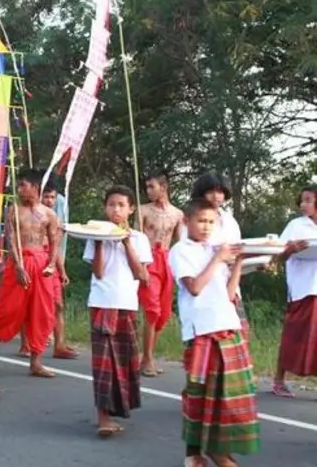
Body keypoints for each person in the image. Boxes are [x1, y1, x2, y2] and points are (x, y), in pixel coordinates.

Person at [169, 199, 259, 466]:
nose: (206, 227)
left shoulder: (215, 250)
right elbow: (195, 287)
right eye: (201, 221)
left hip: (228, 326)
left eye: (211, 222)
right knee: (201, 394)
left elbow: (229, 294)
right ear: (187, 222)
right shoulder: (180, 251)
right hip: (202, 332)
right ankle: (206, 453)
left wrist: (238, 263)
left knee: (230, 398)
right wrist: (217, 259)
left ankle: (210, 450)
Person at [83, 185, 152, 437]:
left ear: (131, 209)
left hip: (126, 305)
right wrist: (102, 241)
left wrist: (125, 243)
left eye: (122, 205)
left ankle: (117, 409)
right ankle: (102, 417)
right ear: (105, 208)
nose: (116, 210)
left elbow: (141, 275)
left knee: (123, 360)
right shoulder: (94, 235)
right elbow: (98, 272)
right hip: (102, 303)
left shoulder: (139, 239)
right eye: (111, 205)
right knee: (103, 364)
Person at [0, 169, 62, 378]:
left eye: (23, 185)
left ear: (35, 188)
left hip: (41, 265)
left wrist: (52, 265)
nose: (20, 189)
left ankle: (36, 362)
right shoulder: (13, 211)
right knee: (7, 310)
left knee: (41, 312)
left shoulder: (49, 214)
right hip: (19, 263)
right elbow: (11, 240)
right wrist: (18, 266)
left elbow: (54, 242)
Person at [187, 173, 250, 345]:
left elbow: (237, 248)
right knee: (210, 341)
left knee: (237, 337)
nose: (216, 196)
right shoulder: (191, 221)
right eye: (211, 192)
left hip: (230, 282)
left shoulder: (229, 220)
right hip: (206, 285)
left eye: (221, 192)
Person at [136, 172, 183, 376]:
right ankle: (146, 359)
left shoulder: (177, 214)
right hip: (148, 259)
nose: (148, 191)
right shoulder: (143, 210)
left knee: (163, 313)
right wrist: (140, 266)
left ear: (163, 188)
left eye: (151, 186)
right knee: (152, 310)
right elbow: (136, 237)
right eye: (146, 187)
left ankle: (148, 357)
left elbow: (181, 243)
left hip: (167, 260)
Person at [272, 185, 317, 398]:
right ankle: (279, 381)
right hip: (302, 289)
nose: (303, 204)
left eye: (308, 200)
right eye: (302, 200)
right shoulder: (296, 225)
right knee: (292, 335)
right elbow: (277, 256)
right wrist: (290, 250)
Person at [41, 181, 78, 359]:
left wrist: (62, 271)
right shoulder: (32, 215)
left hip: (51, 264)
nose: (49, 200)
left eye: (52, 197)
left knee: (58, 305)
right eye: (46, 196)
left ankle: (59, 345)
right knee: (30, 306)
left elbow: (55, 249)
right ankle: (27, 344)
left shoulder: (56, 219)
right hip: (35, 262)